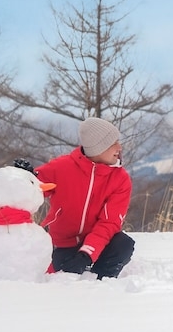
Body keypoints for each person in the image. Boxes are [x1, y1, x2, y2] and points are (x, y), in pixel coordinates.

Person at [21, 117, 135, 279]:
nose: (119, 147)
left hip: (95, 245)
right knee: (61, 275)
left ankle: (98, 283)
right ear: (97, 148)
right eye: (113, 143)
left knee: (123, 245)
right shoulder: (61, 168)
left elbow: (109, 223)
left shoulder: (120, 179)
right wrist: (22, 175)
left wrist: (87, 254)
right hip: (60, 244)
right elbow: (29, 190)